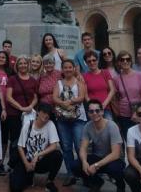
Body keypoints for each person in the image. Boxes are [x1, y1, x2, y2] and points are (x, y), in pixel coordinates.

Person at [73, 99, 126, 192]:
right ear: (88, 113)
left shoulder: (112, 126)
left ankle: (120, 186)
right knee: (75, 165)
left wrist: (96, 165)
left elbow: (116, 154)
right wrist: (85, 162)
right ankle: (97, 182)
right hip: (97, 156)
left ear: (102, 111)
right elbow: (83, 148)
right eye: (91, 111)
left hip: (114, 159)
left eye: (97, 110)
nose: (94, 113)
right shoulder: (88, 126)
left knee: (114, 168)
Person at [9, 103, 62, 192]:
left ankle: (49, 182)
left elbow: (54, 145)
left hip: (41, 160)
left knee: (57, 155)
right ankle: (18, 175)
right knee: (15, 188)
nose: (46, 115)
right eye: (44, 112)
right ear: (37, 112)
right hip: (27, 160)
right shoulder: (28, 125)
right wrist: (26, 164)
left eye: (48, 113)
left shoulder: (50, 124)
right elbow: (20, 147)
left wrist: (38, 155)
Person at [52, 58, 86, 186]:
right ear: (62, 69)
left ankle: (83, 172)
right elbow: (54, 97)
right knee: (66, 147)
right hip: (62, 119)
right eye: (65, 67)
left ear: (74, 68)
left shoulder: (79, 82)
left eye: (69, 67)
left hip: (78, 118)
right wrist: (63, 103)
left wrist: (70, 102)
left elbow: (82, 96)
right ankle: (70, 173)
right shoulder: (59, 83)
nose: (67, 69)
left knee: (79, 146)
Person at [6, 56, 38, 169]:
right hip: (14, 114)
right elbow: (8, 97)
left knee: (28, 139)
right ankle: (13, 164)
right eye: (20, 63)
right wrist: (21, 108)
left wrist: (30, 107)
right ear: (17, 66)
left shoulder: (33, 80)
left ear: (28, 65)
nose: (23, 65)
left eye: (25, 63)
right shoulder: (12, 79)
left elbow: (35, 97)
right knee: (15, 140)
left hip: (29, 114)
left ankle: (25, 161)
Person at [113, 50, 141, 141]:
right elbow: (115, 97)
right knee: (129, 140)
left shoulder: (140, 75)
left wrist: (137, 111)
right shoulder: (116, 78)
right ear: (119, 62)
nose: (125, 61)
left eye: (127, 59)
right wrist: (117, 113)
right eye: (122, 60)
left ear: (131, 61)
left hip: (139, 113)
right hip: (124, 114)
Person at [0, 50, 12, 175]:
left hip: (8, 106)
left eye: (3, 57)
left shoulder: (10, 73)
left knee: (4, 136)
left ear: (6, 60)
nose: (1, 59)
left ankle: (0, 163)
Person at [83, 50, 116, 120]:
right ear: (86, 63)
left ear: (97, 60)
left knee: (109, 128)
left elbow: (112, 90)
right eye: (89, 61)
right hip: (92, 110)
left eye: (94, 60)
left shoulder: (105, 72)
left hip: (106, 108)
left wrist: (104, 104)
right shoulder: (85, 76)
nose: (92, 62)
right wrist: (94, 107)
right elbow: (86, 95)